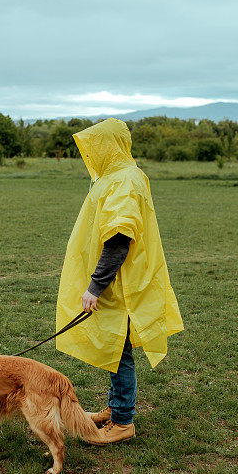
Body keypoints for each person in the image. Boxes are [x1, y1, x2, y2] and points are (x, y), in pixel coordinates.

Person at [55, 117, 184, 443]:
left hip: (122, 286)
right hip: (119, 284)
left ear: (109, 146)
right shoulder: (116, 177)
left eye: (95, 146)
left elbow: (120, 237)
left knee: (121, 353)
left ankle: (123, 421)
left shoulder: (124, 181)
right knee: (116, 348)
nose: (91, 153)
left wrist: (96, 285)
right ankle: (116, 409)